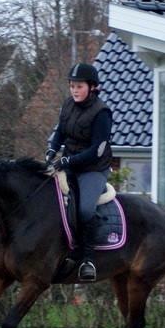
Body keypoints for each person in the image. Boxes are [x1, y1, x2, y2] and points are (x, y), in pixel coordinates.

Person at [45, 63, 113, 282]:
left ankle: (88, 259)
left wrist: (66, 160)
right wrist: (51, 150)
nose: (74, 90)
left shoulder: (102, 113)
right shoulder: (68, 105)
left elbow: (96, 151)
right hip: (69, 164)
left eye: (79, 86)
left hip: (93, 169)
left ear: (92, 87)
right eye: (72, 86)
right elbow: (60, 132)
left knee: (84, 210)